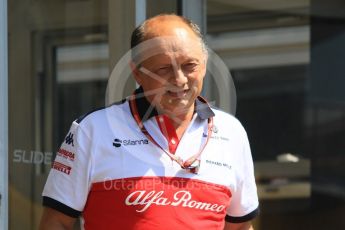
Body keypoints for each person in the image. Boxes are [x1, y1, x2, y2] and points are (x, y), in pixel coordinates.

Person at [39, 14, 259, 230]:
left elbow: (240, 226)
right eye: (164, 69)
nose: (180, 79)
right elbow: (56, 222)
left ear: (204, 64)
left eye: (189, 65)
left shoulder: (232, 132)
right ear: (137, 73)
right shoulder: (92, 130)